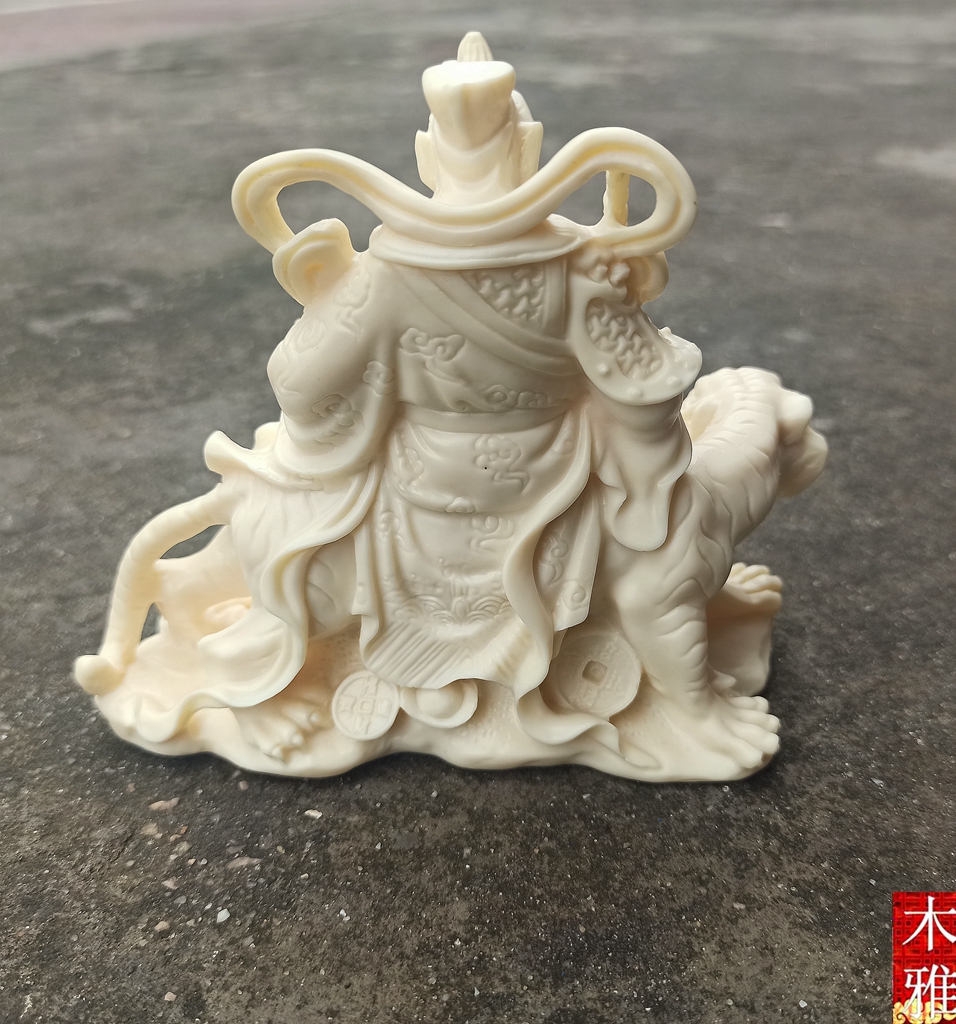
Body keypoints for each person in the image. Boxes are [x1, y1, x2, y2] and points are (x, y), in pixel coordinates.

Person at [76, 33, 826, 781]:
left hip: (418, 482)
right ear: (528, 147)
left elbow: (301, 388)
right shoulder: (580, 268)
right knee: (657, 541)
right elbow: (644, 396)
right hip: (557, 479)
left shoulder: (380, 273)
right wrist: (647, 470)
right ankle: (690, 709)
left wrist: (328, 325)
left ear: (428, 156)